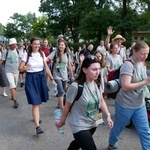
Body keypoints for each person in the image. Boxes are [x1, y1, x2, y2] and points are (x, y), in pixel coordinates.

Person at [56, 55, 114, 150]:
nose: (97, 73)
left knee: (77, 143)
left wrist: (107, 115)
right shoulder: (75, 87)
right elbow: (67, 106)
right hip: (79, 124)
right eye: (94, 69)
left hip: (94, 122)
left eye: (98, 69)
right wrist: (62, 121)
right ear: (84, 70)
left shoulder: (95, 83)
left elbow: (101, 100)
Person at [107, 41, 150, 150]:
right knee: (118, 128)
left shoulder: (142, 63)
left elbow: (142, 82)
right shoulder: (128, 65)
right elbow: (126, 86)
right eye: (142, 53)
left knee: (145, 131)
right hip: (125, 105)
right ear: (134, 52)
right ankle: (112, 144)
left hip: (139, 104)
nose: (145, 56)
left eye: (147, 53)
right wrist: (145, 82)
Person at [18, 37, 56, 135]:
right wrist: (24, 68)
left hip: (40, 78)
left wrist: (52, 79)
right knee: (36, 103)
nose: (37, 46)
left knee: (38, 103)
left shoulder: (41, 54)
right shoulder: (26, 55)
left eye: (38, 44)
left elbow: (46, 67)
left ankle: (36, 118)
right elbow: (20, 68)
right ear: (30, 44)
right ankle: (37, 127)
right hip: (31, 79)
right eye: (35, 44)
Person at [47, 39, 74, 110]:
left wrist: (72, 75)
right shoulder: (55, 53)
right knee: (61, 91)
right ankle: (62, 107)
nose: (60, 46)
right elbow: (47, 59)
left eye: (62, 45)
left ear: (65, 46)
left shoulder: (67, 55)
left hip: (64, 75)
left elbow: (69, 66)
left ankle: (60, 102)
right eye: (59, 45)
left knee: (66, 89)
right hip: (56, 75)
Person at [0, 38, 19, 108]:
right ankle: (15, 101)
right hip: (8, 71)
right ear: (10, 45)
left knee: (15, 86)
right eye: (13, 44)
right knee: (12, 85)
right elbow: (2, 60)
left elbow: (21, 60)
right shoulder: (6, 51)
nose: (14, 46)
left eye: (15, 44)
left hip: (16, 71)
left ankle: (13, 95)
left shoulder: (17, 51)